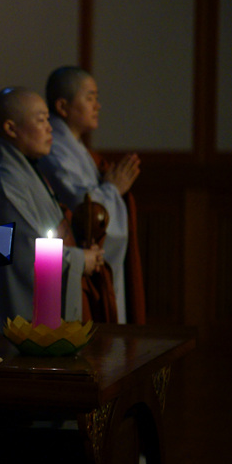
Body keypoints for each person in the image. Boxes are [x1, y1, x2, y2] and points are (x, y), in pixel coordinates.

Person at [0, 87, 106, 339]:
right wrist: (80, 260)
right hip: (22, 325)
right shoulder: (4, 183)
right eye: (41, 120)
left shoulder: (26, 173)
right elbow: (25, 254)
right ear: (11, 128)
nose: (50, 128)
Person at [39, 66, 146, 324]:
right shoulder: (54, 149)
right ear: (63, 106)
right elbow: (84, 210)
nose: (98, 106)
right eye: (90, 98)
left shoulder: (76, 148)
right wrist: (113, 189)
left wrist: (111, 189)